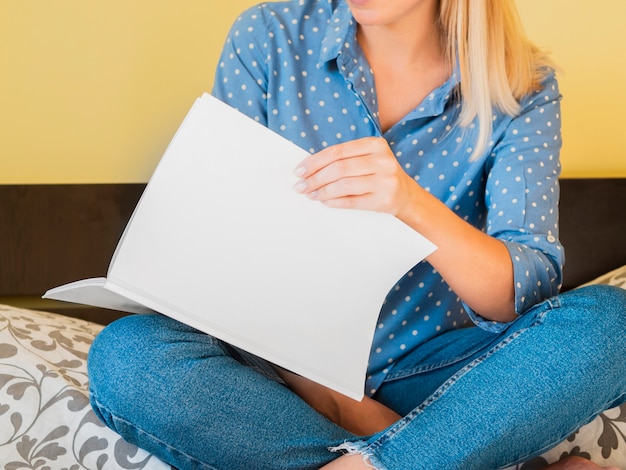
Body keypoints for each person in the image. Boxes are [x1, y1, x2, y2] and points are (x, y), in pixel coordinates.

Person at [87, 1, 626, 469]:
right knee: (127, 356)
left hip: (432, 371)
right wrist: (339, 401)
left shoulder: (523, 85)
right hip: (273, 370)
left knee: (611, 324)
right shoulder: (268, 37)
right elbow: (223, 246)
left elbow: (522, 294)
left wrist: (411, 203)